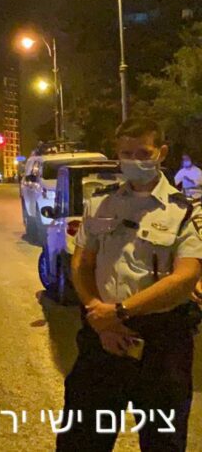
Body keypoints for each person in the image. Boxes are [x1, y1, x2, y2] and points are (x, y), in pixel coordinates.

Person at [59, 118, 202, 451]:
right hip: (101, 337)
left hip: (161, 346)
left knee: (163, 444)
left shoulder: (186, 212)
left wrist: (119, 313)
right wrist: (98, 314)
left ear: (161, 153)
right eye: (126, 153)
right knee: (80, 441)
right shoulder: (100, 204)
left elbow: (185, 277)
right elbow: (81, 264)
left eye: (143, 153)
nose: (134, 160)